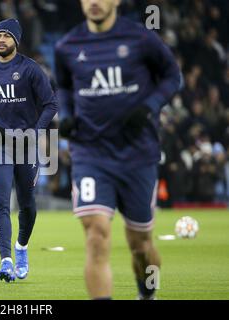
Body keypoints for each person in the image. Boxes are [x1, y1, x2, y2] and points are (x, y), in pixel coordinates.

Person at [55, 0, 181, 299]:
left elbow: (172, 76)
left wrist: (149, 107)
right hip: (90, 153)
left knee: (140, 245)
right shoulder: (67, 46)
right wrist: (67, 113)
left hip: (137, 154)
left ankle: (147, 294)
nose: (94, 2)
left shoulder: (141, 38)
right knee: (96, 234)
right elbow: (63, 86)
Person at [0, 19, 57, 282]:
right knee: (0, 203)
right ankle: (6, 261)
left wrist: (36, 131)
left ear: (16, 41)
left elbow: (50, 104)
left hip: (26, 145)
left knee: (27, 205)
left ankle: (21, 248)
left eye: (6, 36)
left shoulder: (30, 69)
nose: (0, 40)